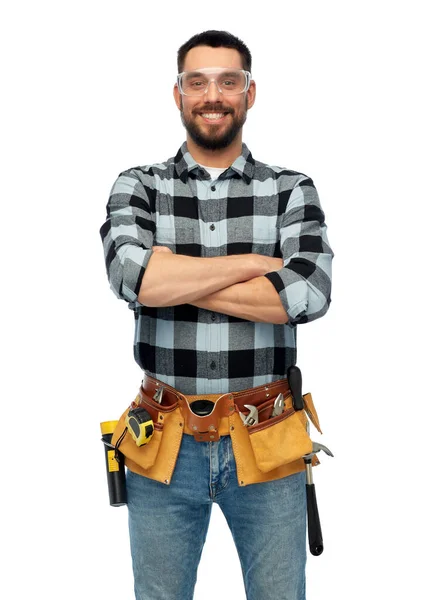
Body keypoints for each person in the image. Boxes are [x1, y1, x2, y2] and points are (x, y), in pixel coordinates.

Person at [100, 29, 333, 600]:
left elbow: (306, 294)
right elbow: (130, 277)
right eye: (197, 81)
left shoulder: (291, 190)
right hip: (163, 438)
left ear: (249, 94)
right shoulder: (139, 186)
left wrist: (170, 278)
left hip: (269, 436)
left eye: (229, 81)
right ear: (177, 94)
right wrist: (256, 264)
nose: (213, 95)